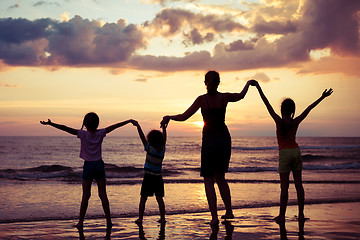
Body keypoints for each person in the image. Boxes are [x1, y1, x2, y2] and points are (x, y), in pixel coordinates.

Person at [160, 70, 256, 227]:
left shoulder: (224, 97)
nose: (209, 84)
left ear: (217, 83)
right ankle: (215, 217)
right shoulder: (201, 100)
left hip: (221, 140)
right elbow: (184, 116)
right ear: (205, 83)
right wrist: (169, 117)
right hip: (211, 141)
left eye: (212, 81)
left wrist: (248, 84)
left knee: (218, 178)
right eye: (207, 81)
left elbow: (240, 95)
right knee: (209, 179)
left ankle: (228, 211)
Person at [253, 82, 333, 222]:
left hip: (284, 153)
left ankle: (282, 216)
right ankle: (301, 214)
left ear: (282, 109)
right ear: (292, 110)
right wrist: (322, 97)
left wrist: (258, 87)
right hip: (296, 152)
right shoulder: (295, 121)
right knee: (298, 185)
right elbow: (309, 109)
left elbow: (267, 104)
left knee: (284, 187)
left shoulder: (278, 121)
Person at [40, 113, 135, 229]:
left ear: (84, 124)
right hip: (99, 165)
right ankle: (108, 221)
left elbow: (65, 128)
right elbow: (115, 126)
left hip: (88, 166)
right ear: (97, 123)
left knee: (86, 196)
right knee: (103, 195)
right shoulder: (101, 133)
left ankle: (80, 222)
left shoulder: (82, 134)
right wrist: (129, 120)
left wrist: (51, 124)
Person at [132, 120, 167, 225]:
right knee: (159, 198)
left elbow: (142, 137)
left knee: (143, 198)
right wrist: (164, 128)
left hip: (148, 177)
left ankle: (140, 218)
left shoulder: (149, 148)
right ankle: (162, 218)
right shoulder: (162, 150)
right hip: (158, 177)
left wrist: (138, 126)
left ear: (150, 140)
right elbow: (165, 139)